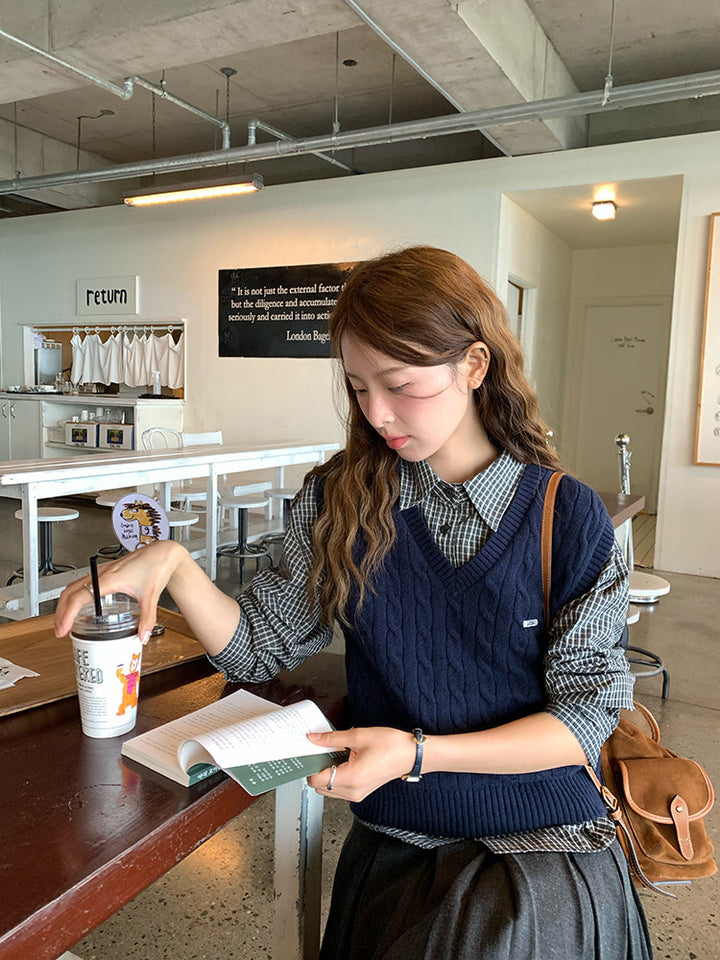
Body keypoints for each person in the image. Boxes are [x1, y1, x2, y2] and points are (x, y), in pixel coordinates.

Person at [55, 245, 653, 959]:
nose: (376, 413)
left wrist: (417, 754)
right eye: (358, 387)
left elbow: (582, 719)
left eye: (399, 385)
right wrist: (178, 566)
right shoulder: (343, 499)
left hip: (542, 834)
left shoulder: (567, 516)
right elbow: (261, 645)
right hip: (401, 837)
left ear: (474, 365)